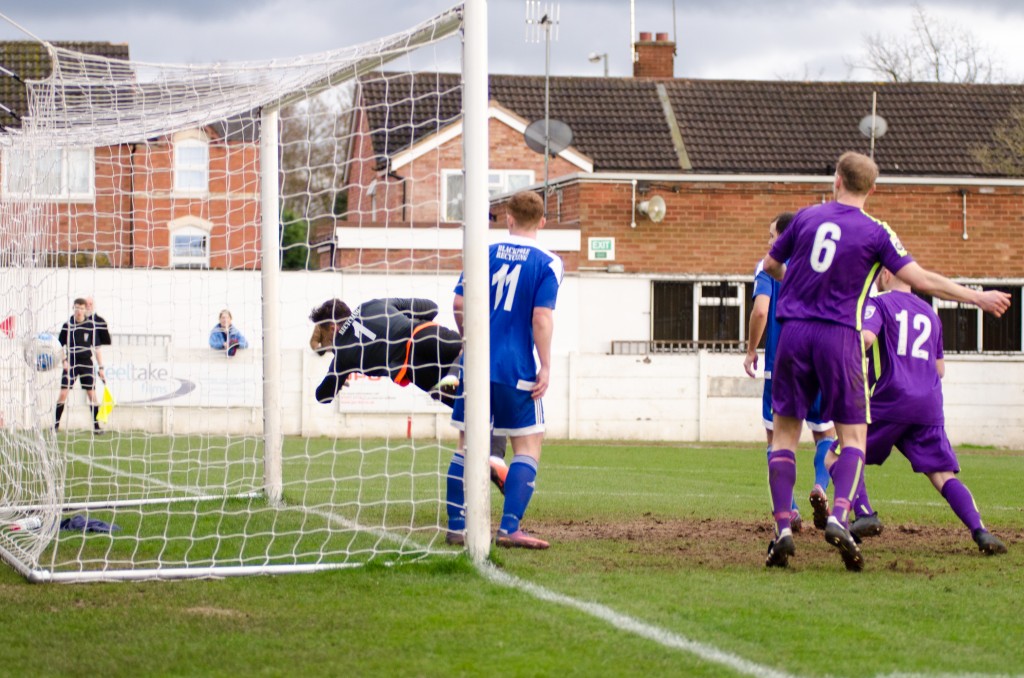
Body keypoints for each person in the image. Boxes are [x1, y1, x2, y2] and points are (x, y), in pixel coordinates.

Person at [762, 151, 1010, 571]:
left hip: (796, 332)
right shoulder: (877, 233)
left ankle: (783, 530)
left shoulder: (805, 217)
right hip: (840, 336)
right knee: (852, 438)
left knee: (785, 436)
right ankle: (841, 516)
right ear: (872, 189)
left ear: (837, 179)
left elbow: (772, 263)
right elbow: (924, 280)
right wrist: (976, 297)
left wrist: (802, 290)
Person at [842, 268, 1007, 554]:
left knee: (841, 453)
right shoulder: (931, 314)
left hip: (891, 398)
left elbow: (866, 339)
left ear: (886, 274)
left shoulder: (878, 303)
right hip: (928, 405)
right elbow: (940, 369)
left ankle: (865, 513)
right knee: (943, 476)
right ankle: (981, 531)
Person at [445, 190, 563, 550]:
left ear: (509, 219)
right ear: (542, 221)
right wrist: (545, 365)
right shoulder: (548, 262)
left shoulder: (484, 252)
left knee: (468, 443)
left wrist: (470, 343)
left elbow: (459, 304)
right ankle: (509, 528)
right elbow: (541, 317)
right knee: (528, 445)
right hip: (516, 368)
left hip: (475, 364)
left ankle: (457, 526)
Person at [744, 212, 837, 532]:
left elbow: (760, 309)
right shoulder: (818, 267)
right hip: (821, 359)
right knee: (826, 432)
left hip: (781, 363)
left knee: (779, 439)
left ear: (783, 238)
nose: (769, 241)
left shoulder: (769, 265)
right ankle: (821, 487)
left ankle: (790, 511)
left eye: (772, 235)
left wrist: (751, 349)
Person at [314, 297, 463, 407]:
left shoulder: (341, 355)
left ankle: (452, 376)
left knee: (464, 412)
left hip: (413, 368)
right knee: (469, 352)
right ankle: (454, 372)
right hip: (425, 335)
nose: (327, 340)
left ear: (333, 327)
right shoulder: (373, 304)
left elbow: (323, 396)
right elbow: (431, 307)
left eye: (325, 335)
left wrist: (337, 383)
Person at [55, 298, 106, 434]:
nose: (79, 311)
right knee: (63, 394)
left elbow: (97, 348)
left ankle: (96, 427)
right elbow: (59, 346)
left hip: (86, 363)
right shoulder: (67, 325)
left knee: (92, 395)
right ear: (73, 308)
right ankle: (55, 426)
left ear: (85, 310)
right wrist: (64, 360)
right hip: (71, 363)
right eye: (77, 308)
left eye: (82, 308)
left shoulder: (90, 326)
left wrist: (101, 368)